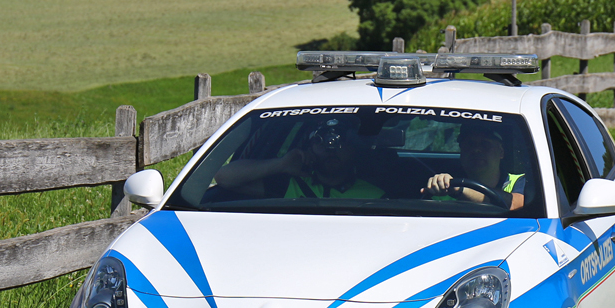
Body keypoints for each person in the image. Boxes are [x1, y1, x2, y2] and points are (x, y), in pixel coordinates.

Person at [215, 118, 384, 199]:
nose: (330, 149)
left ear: (354, 149)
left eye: (340, 141)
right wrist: (280, 164)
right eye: (321, 141)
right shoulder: (290, 185)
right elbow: (223, 178)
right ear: (309, 148)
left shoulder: (376, 195)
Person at [421, 123, 524, 210]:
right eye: (470, 144)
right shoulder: (443, 186)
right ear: (461, 151)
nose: (476, 150)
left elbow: (515, 204)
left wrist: (460, 190)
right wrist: (441, 184)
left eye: (485, 144)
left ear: (501, 152)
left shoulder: (520, 182)